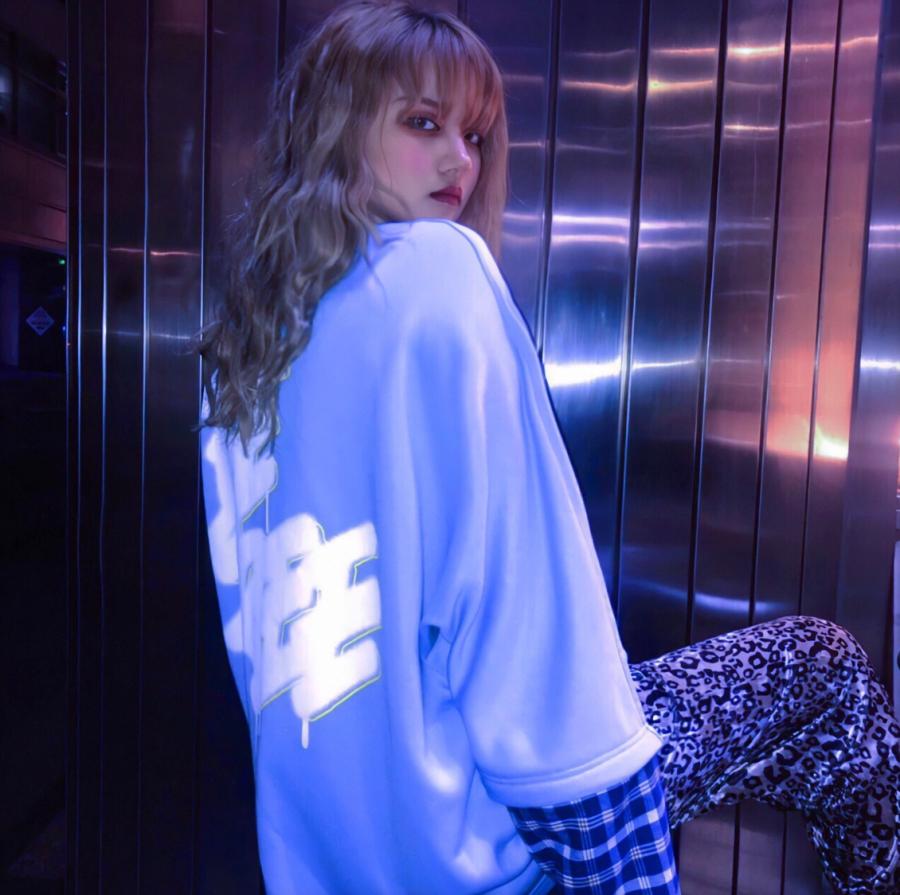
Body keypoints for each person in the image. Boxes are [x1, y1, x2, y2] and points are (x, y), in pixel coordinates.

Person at [196, 2, 900, 893]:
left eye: (475, 135)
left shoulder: (247, 346)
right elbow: (518, 600)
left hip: (341, 859)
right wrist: (616, 851)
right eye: (423, 123)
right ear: (336, 128)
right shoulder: (439, 272)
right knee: (826, 670)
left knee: (800, 734)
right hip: (498, 833)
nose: (461, 161)